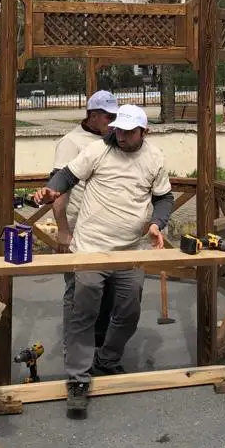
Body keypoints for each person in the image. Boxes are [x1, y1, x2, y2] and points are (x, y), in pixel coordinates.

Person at [34, 104, 174, 419]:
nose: (120, 136)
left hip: (130, 252)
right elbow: (66, 176)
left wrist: (157, 224)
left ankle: (107, 360)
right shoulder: (98, 150)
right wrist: (51, 191)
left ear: (144, 131)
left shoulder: (154, 158)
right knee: (83, 312)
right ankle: (78, 380)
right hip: (89, 249)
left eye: (128, 131)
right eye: (118, 129)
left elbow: (164, 198)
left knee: (128, 312)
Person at [51, 90, 120, 355]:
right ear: (93, 115)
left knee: (108, 292)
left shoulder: (113, 141)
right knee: (78, 292)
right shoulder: (71, 142)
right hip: (77, 229)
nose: (113, 121)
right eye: (109, 116)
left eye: (116, 116)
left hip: (107, 232)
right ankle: (75, 349)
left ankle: (99, 346)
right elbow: (59, 189)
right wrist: (62, 230)